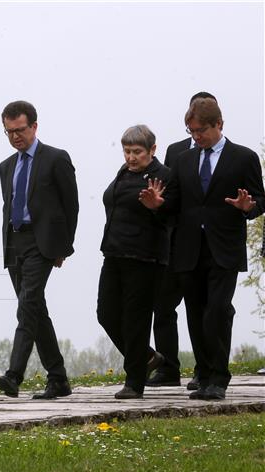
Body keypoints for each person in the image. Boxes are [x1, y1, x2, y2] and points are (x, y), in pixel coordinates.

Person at [139, 98, 265, 400]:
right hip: (188, 248)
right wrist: (158, 205)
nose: (196, 137)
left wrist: (249, 207)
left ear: (218, 124)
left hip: (224, 248)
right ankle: (205, 374)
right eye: (191, 131)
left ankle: (220, 377)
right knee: (195, 314)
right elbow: (175, 206)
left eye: (201, 131)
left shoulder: (243, 157)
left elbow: (259, 200)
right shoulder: (182, 160)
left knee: (217, 312)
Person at [0, 100, 79, 399]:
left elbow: (71, 206)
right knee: (36, 311)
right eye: (9, 132)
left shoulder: (56, 158)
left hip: (43, 244)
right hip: (15, 243)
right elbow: (9, 207)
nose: (15, 136)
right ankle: (58, 378)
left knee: (28, 305)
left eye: (20, 130)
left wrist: (64, 247)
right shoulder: (6, 166)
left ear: (34, 126)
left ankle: (13, 375)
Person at [147, 92, 217, 390]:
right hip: (173, 241)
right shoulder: (176, 151)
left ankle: (204, 369)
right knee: (163, 304)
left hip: (205, 243)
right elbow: (167, 192)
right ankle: (168, 368)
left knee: (202, 307)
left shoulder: (221, 154)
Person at [97, 125, 170, 399]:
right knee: (105, 313)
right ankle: (148, 356)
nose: (131, 157)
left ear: (152, 150)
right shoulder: (124, 172)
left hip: (145, 257)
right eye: (127, 151)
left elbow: (171, 217)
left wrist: (157, 207)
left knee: (135, 320)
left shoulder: (163, 176)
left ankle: (135, 382)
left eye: (137, 151)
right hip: (114, 253)